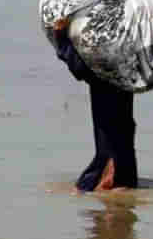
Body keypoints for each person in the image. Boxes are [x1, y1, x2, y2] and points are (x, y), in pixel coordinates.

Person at [54, 18, 137, 191]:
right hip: (123, 137)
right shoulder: (126, 59)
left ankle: (109, 181)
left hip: (109, 140)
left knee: (94, 184)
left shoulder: (99, 63)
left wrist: (61, 37)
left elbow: (79, 68)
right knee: (123, 175)